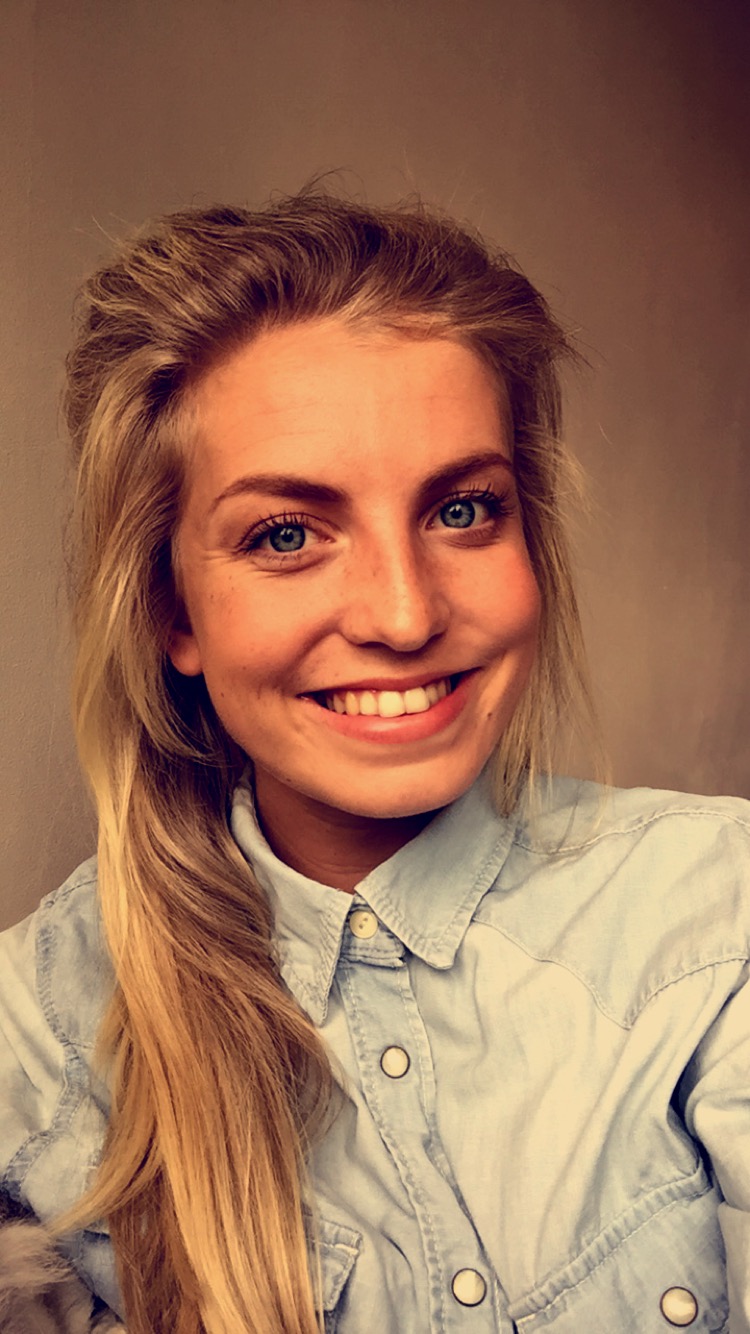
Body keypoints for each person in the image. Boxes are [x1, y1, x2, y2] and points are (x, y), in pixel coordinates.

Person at [0, 192, 747, 1334]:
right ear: (170, 609)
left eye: (463, 510)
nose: (404, 615)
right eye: (286, 534)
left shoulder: (718, 912)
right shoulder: (33, 1027)